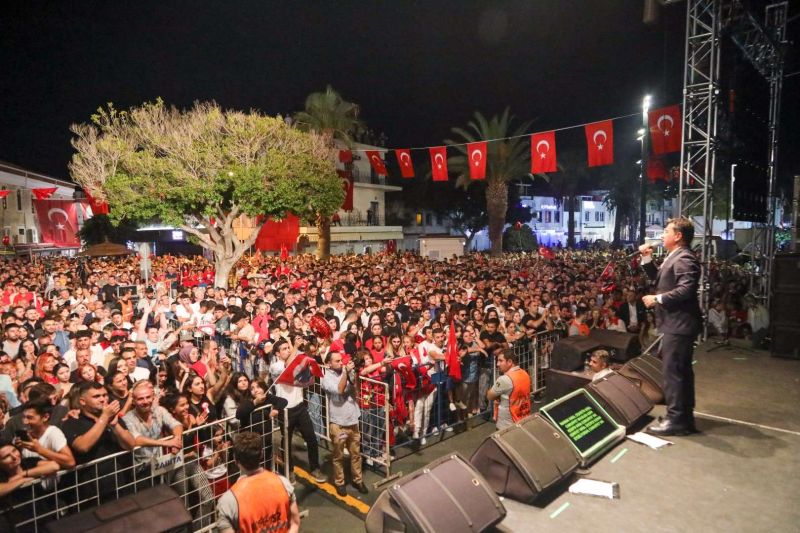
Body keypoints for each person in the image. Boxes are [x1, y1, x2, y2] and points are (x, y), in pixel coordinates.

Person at [640, 217, 702, 436]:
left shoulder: (684, 258)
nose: (662, 235)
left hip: (679, 323)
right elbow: (659, 279)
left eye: (666, 231)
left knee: (673, 372)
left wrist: (657, 299)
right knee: (680, 371)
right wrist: (647, 258)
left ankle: (676, 420)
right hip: (677, 323)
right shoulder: (674, 257)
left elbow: (687, 289)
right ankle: (684, 417)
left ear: (678, 236)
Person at [216, 431, 300, 533]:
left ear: (235, 460)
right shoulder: (283, 483)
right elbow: (295, 522)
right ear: (261, 454)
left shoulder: (228, 502)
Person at [321, 352, 368, 496]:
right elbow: (340, 390)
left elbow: (355, 386)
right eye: (337, 361)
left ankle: (358, 480)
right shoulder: (325, 379)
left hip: (353, 419)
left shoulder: (345, 370)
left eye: (341, 360)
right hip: (338, 424)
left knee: (356, 454)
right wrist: (346, 373)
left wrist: (355, 370)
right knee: (338, 455)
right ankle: (340, 482)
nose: (341, 363)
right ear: (329, 363)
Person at [486, 349, 531, 431]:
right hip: (523, 418)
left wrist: (491, 391)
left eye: (500, 361)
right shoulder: (525, 373)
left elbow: (490, 396)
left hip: (507, 425)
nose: (497, 364)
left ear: (509, 362)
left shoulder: (504, 379)